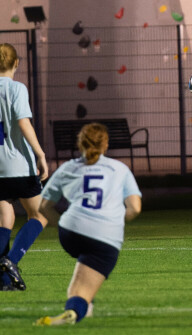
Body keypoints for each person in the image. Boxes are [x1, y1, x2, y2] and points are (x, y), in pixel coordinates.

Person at [35, 123, 142, 326]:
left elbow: (44, 206)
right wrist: (116, 221)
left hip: (70, 232)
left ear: (80, 143)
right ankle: (75, 312)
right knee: (90, 269)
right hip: (103, 235)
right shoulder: (119, 168)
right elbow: (135, 208)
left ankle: (87, 304)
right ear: (106, 144)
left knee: (86, 264)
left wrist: (61, 225)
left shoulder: (68, 167)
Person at [0, 43, 49, 291]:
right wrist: (40, 154)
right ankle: (11, 261)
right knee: (40, 215)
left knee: (5, 216)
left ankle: (3, 281)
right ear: (16, 63)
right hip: (19, 165)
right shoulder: (17, 88)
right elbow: (23, 123)